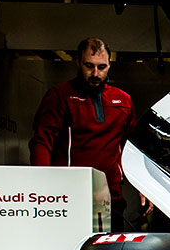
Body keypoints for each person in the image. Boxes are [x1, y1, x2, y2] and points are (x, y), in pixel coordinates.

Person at [29, 37, 141, 224]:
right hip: (69, 197)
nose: (95, 73)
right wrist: (43, 190)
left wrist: (143, 188)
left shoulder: (124, 101)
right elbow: (42, 142)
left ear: (109, 65)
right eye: (89, 66)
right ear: (78, 62)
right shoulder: (60, 96)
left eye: (101, 67)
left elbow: (132, 150)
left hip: (111, 198)